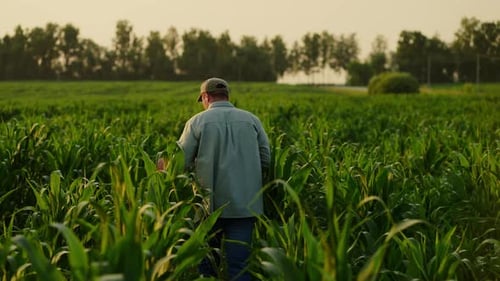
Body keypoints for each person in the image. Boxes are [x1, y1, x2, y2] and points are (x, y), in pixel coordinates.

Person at [175, 77, 270, 280]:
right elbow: (266, 159)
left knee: (208, 266)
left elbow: (178, 162)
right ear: (227, 95)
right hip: (246, 206)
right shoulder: (251, 120)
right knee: (240, 267)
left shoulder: (197, 122)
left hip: (209, 207)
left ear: (206, 97)